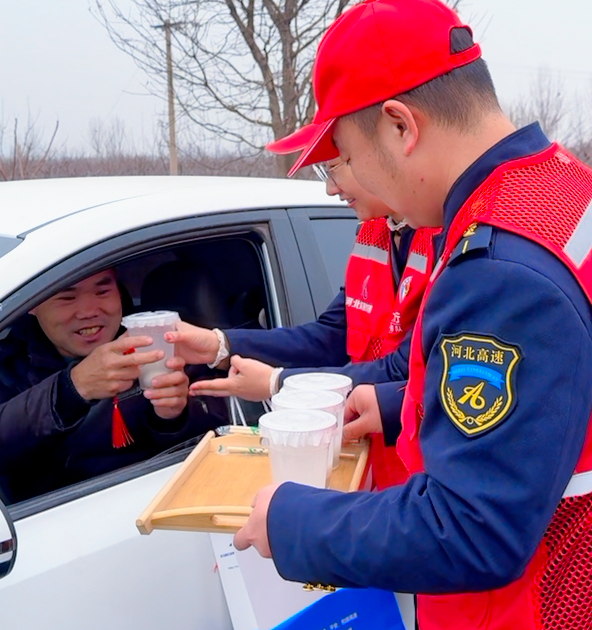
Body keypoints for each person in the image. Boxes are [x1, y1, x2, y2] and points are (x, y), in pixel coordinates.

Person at [232, 0, 592, 630]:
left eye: (347, 157)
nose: (344, 184)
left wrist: (293, 522)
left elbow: (471, 524)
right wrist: (397, 404)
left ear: (399, 126)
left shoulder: (500, 268)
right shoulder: (585, 200)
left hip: (566, 620)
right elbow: (560, 406)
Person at [170, 166, 436, 488]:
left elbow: (405, 369)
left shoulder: (446, 238)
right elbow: (331, 336)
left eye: (335, 167)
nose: (331, 189)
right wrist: (220, 345)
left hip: (424, 465)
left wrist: (278, 383)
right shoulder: (375, 233)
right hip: (373, 461)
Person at [0, 269, 226, 503]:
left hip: (147, 504)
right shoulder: (0, 360)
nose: (88, 311)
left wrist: (174, 417)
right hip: (46, 518)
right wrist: (71, 389)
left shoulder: (159, 343)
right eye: (67, 298)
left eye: (102, 291)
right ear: (33, 304)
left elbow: (220, 441)